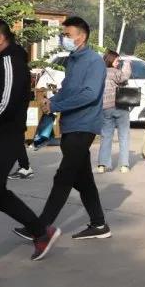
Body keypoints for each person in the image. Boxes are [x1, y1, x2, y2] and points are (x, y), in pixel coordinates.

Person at [34, 16, 112, 240]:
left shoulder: (94, 61)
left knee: (64, 176)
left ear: (82, 36)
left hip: (84, 126)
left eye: (68, 35)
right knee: (83, 179)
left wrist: (57, 105)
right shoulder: (72, 60)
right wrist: (51, 102)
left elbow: (90, 95)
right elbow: (67, 90)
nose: (64, 38)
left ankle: (40, 228)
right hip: (69, 125)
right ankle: (99, 224)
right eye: (63, 35)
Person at [0, 19, 60, 260]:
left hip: (6, 135)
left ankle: (41, 232)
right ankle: (41, 232)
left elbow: (5, 103)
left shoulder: (10, 61)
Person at [96, 50, 132, 174]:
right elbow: (125, 76)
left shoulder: (100, 73)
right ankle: (124, 165)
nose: (118, 63)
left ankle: (102, 164)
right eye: (117, 60)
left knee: (106, 136)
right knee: (124, 136)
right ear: (111, 60)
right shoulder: (115, 72)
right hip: (120, 107)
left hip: (105, 108)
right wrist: (127, 64)